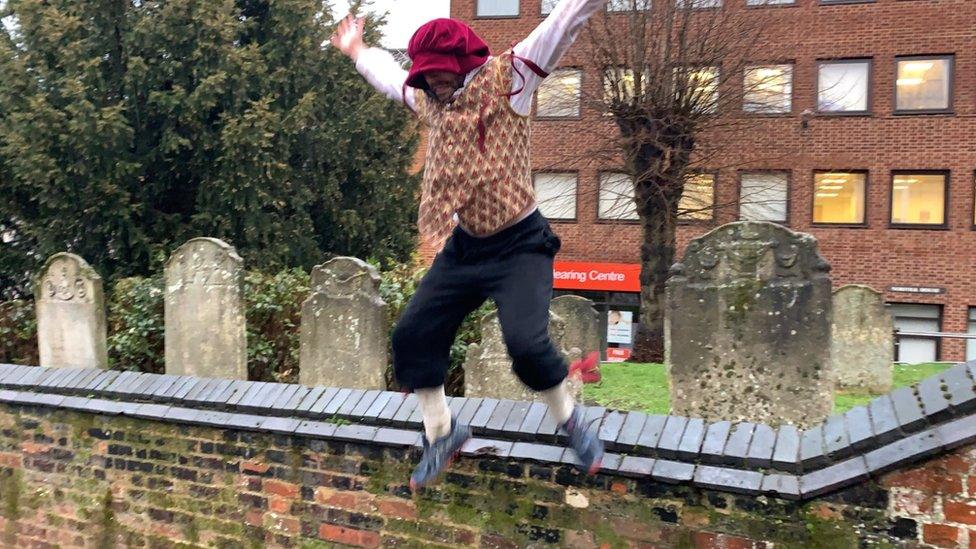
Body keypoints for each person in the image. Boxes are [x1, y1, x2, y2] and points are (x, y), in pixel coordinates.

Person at [330, 0, 606, 490]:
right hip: (467, 247)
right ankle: (443, 433)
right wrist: (358, 51)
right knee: (412, 336)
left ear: (461, 64)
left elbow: (563, 23)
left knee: (526, 346)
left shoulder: (512, 77)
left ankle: (569, 421)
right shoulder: (428, 100)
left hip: (521, 243)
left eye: (439, 75)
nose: (432, 84)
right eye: (427, 76)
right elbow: (390, 78)